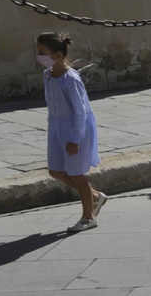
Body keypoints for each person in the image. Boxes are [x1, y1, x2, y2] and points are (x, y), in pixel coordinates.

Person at [37, 32, 105, 232]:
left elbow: (80, 110)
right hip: (56, 128)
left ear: (57, 54)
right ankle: (94, 196)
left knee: (77, 173)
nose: (38, 55)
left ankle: (88, 216)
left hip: (76, 129)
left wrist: (75, 138)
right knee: (55, 170)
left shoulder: (70, 78)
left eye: (42, 52)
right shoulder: (47, 75)